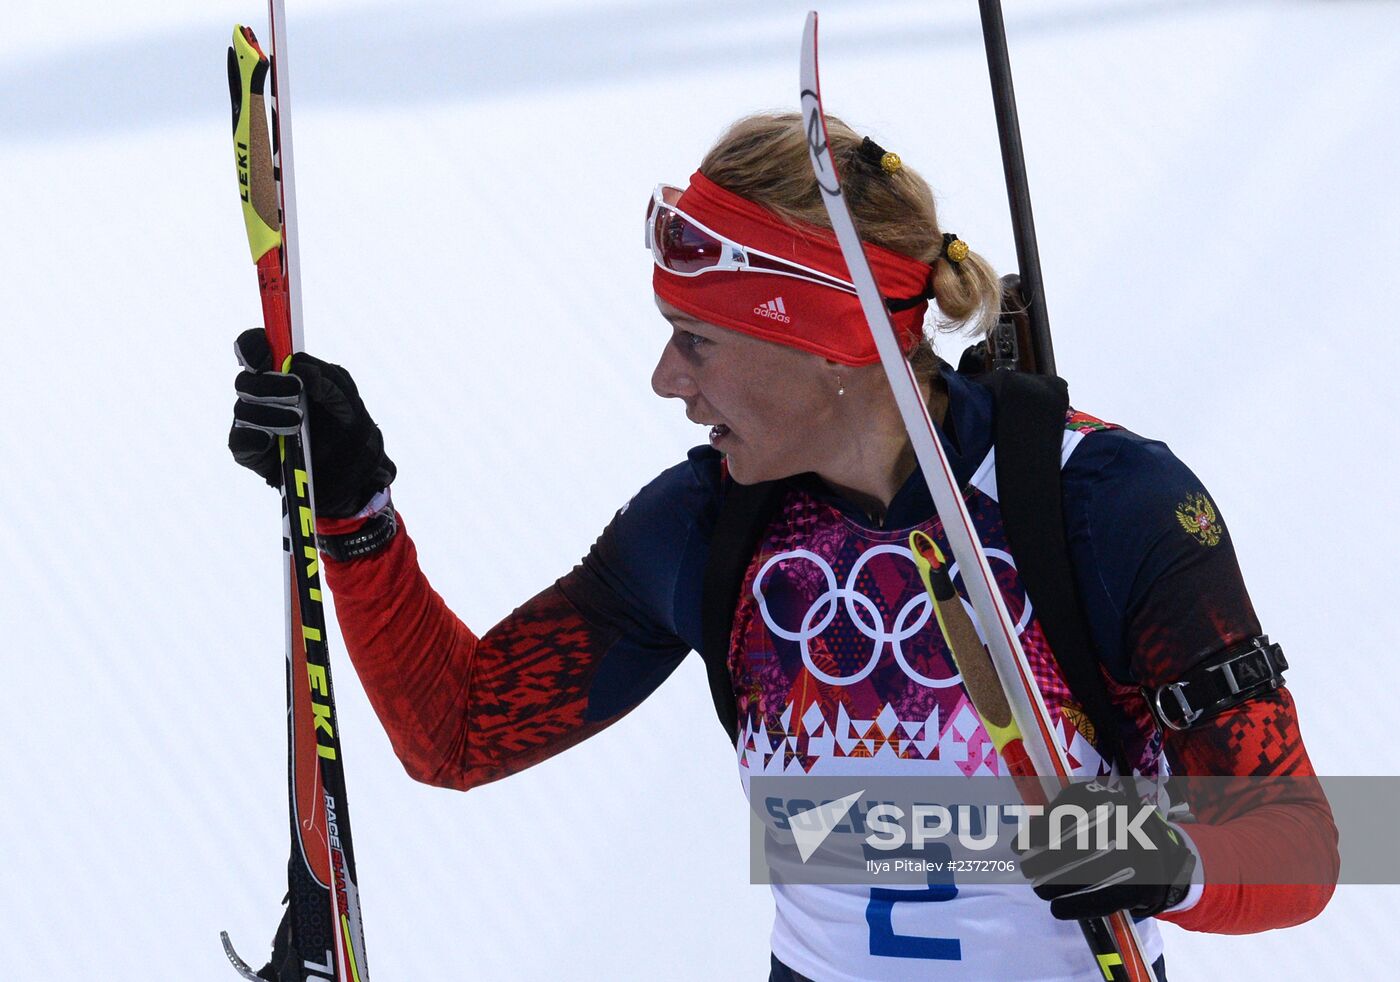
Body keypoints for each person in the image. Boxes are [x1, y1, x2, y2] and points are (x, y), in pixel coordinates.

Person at [228, 112, 1338, 981]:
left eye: (696, 340)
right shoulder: (710, 524)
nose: (666, 379)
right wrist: (354, 510)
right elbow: (460, 730)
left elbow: (1297, 847)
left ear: (827, 343)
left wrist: (1147, 850)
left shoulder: (1100, 504)